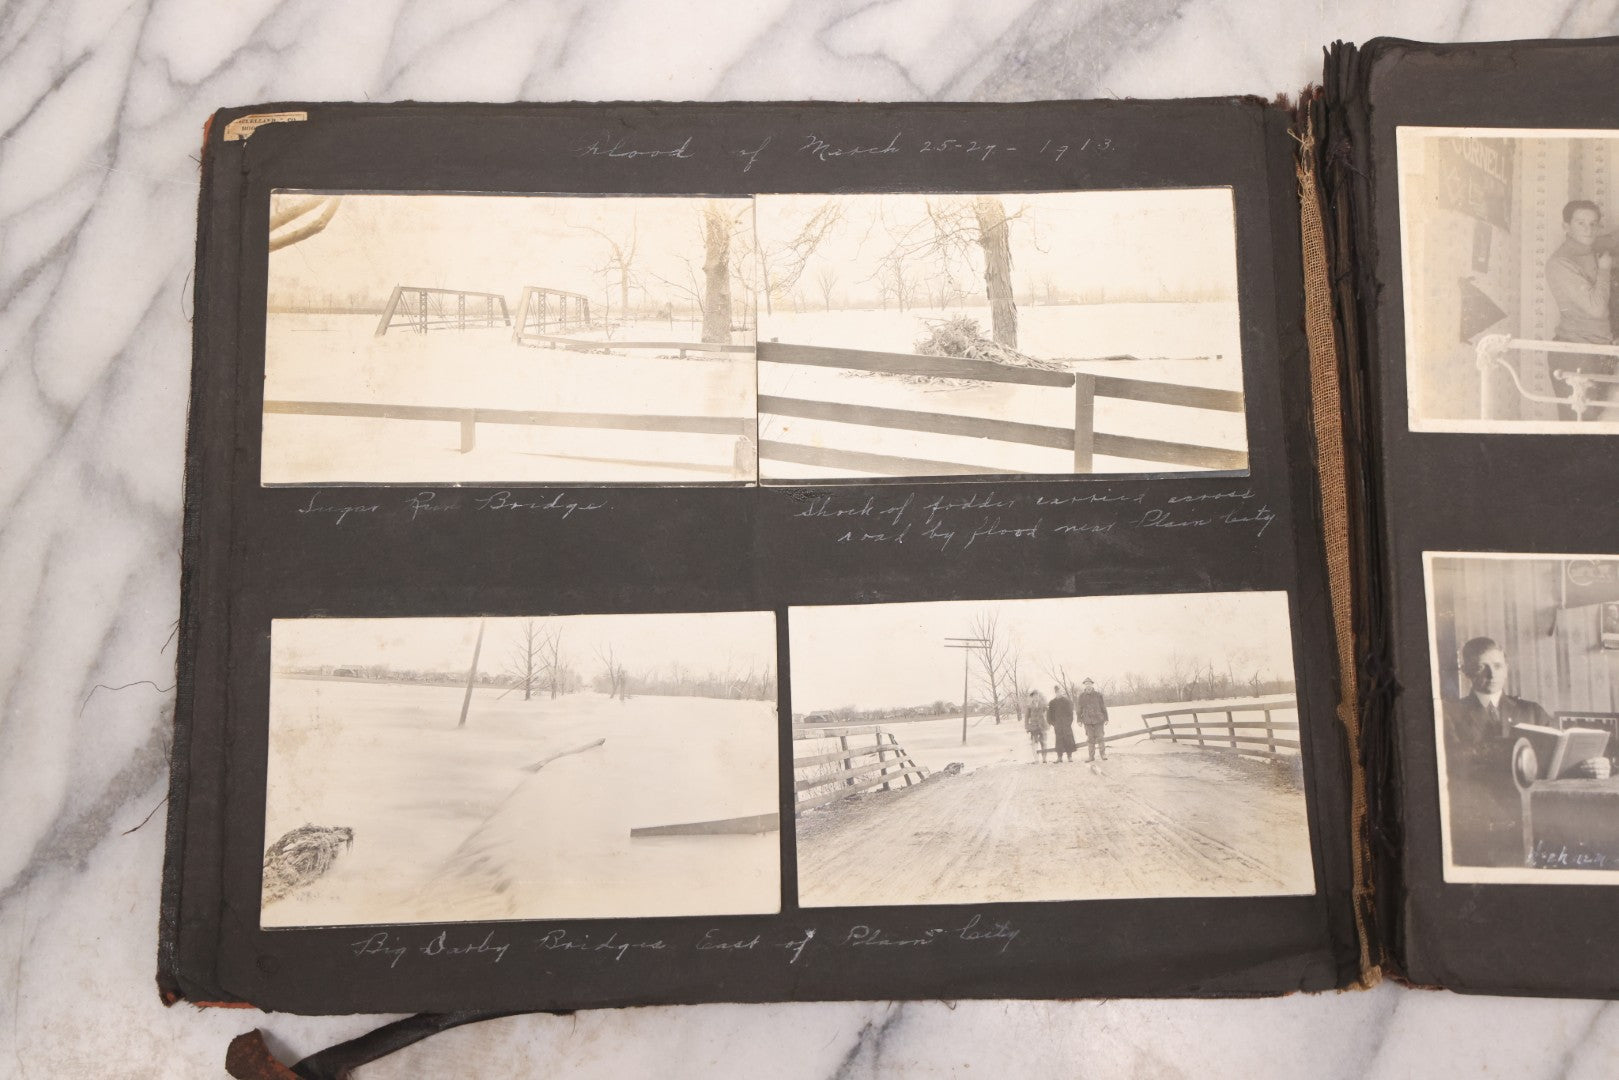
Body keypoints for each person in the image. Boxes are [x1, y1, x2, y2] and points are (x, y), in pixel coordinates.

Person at [1442, 636, 1609, 868]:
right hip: (1484, 824)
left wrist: (1595, 765)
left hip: (1540, 817)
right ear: (1467, 672)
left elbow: (1559, 759)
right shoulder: (1450, 713)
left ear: (1506, 668)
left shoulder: (1532, 711)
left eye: (1498, 666)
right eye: (1481, 667)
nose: (1492, 674)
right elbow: (1453, 765)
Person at [1544, 200, 1617, 420]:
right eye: (1581, 223)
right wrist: (1604, 270)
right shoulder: (1560, 263)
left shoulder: (1593, 249)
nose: (1588, 229)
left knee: (1600, 423)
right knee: (1579, 426)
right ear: (1566, 226)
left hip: (1601, 351)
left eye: (1594, 224)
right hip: (1575, 353)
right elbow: (1596, 309)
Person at [1076, 677, 1110, 762]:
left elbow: (1103, 707)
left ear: (1092, 684)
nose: (1088, 685)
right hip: (1087, 720)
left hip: (1098, 720)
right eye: (1086, 684)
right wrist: (1079, 720)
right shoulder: (1081, 696)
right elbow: (1079, 709)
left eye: (1089, 684)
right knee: (1090, 739)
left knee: (1100, 738)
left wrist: (1106, 718)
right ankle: (1091, 756)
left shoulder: (1098, 695)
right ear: (1084, 685)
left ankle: (1103, 754)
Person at [1046, 685, 1077, 764]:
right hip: (1058, 725)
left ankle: (1069, 756)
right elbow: (1049, 715)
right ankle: (1059, 757)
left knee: (1068, 740)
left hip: (1066, 725)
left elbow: (1070, 714)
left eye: (1060, 691)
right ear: (1055, 693)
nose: (1059, 693)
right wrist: (1053, 723)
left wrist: (1068, 723)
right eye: (1057, 692)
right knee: (1059, 740)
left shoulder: (1067, 701)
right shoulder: (1052, 702)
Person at [1023, 689, 1048, 763]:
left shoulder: (1043, 704)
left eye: (1037, 695)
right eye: (1034, 696)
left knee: (1043, 742)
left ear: (1039, 696)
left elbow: (1048, 713)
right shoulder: (1029, 706)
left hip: (1042, 726)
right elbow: (1026, 717)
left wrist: (1047, 723)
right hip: (1033, 727)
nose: (1036, 697)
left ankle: (1044, 758)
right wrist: (1027, 726)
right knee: (1034, 743)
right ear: (1032, 697)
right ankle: (1036, 759)